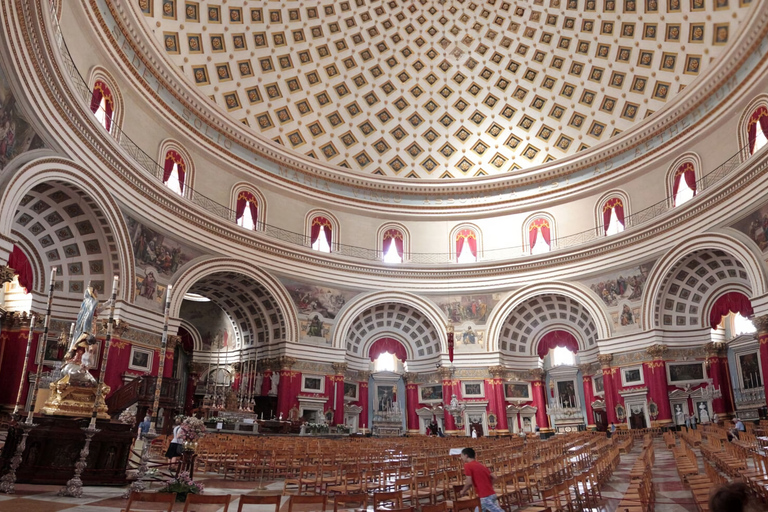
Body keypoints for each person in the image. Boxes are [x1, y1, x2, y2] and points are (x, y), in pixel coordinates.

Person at [458, 447, 504, 512]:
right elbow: (494, 477)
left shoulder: (468, 465)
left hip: (485, 496)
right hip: (491, 493)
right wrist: (489, 485)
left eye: (462, 455)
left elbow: (469, 482)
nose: (461, 458)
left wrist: (463, 491)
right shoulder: (480, 465)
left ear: (466, 455)